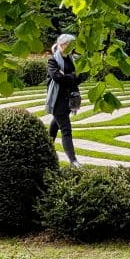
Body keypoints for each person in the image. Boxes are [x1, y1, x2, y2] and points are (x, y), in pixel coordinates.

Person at [45, 33, 81, 167]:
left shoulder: (72, 60)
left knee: (55, 124)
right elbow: (56, 77)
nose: (71, 48)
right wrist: (71, 77)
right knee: (66, 129)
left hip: (69, 99)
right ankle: (73, 160)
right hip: (57, 100)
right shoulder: (53, 61)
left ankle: (46, 149)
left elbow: (81, 76)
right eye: (68, 45)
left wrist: (67, 76)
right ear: (62, 45)